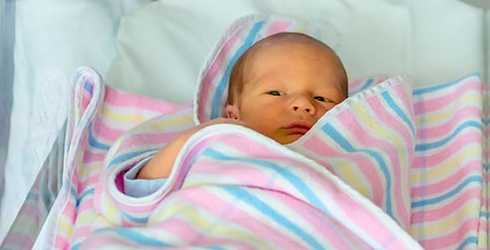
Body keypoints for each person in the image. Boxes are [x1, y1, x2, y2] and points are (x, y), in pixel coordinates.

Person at [120, 32, 349, 195]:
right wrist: (200, 137)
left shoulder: (348, 156)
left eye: (322, 98)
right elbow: (142, 188)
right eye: (275, 93)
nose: (303, 103)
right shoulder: (219, 148)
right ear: (233, 116)